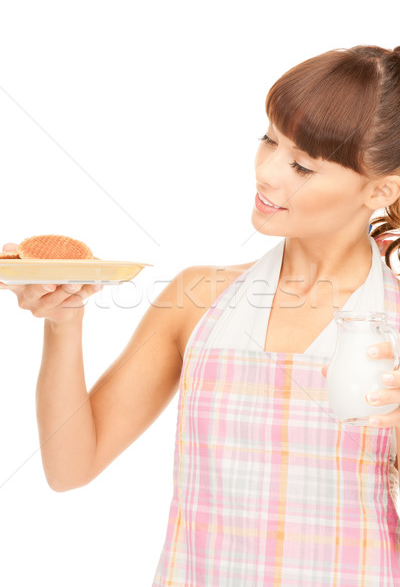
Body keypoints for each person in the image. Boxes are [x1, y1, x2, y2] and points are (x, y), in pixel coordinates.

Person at [1, 43, 400, 584]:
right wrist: (62, 323)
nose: (266, 173)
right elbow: (70, 467)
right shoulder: (197, 300)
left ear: (382, 189)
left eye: (302, 165)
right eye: (269, 140)